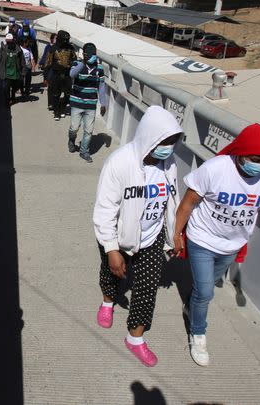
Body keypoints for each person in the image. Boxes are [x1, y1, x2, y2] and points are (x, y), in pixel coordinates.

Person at [173, 123, 260, 367]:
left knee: (201, 290)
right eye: (255, 159)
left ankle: (192, 305)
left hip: (232, 245)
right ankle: (198, 333)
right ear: (240, 153)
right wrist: (176, 234)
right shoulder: (215, 169)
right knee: (206, 291)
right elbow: (187, 204)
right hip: (202, 238)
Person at [93, 106, 184, 367]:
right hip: (120, 238)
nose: (168, 148)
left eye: (172, 142)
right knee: (112, 273)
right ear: (149, 137)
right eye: (163, 142)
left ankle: (135, 338)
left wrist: (174, 233)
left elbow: (173, 199)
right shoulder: (119, 163)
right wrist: (111, 249)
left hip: (152, 238)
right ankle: (107, 301)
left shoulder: (169, 163)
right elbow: (104, 209)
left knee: (146, 289)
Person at [68, 43, 107, 163]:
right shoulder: (77, 64)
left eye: (95, 53)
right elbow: (72, 74)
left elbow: (101, 86)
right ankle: (71, 140)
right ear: (85, 54)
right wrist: (83, 63)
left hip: (91, 104)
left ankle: (84, 151)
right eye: (91, 54)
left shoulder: (99, 68)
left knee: (89, 130)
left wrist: (103, 103)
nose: (93, 56)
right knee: (74, 128)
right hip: (76, 102)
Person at [45, 30, 75, 121]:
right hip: (56, 75)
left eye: (67, 40)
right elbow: (48, 62)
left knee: (68, 95)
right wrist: (45, 76)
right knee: (55, 95)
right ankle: (57, 112)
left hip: (67, 75)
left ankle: (62, 108)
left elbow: (74, 60)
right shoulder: (53, 48)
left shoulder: (71, 48)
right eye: (64, 39)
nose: (66, 41)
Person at [0, 33, 25, 105]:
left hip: (16, 73)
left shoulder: (18, 49)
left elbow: (22, 61)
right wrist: (0, 71)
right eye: (7, 41)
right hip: (6, 73)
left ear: (13, 40)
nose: (9, 43)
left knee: (14, 88)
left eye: (10, 41)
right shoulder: (3, 49)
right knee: (6, 89)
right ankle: (7, 101)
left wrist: (23, 71)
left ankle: (13, 97)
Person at [39, 33, 57, 111]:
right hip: (49, 70)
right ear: (52, 39)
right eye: (56, 38)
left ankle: (54, 103)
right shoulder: (48, 47)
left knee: (55, 88)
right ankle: (51, 104)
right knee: (51, 88)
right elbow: (45, 56)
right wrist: (41, 63)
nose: (57, 40)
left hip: (57, 71)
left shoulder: (59, 48)